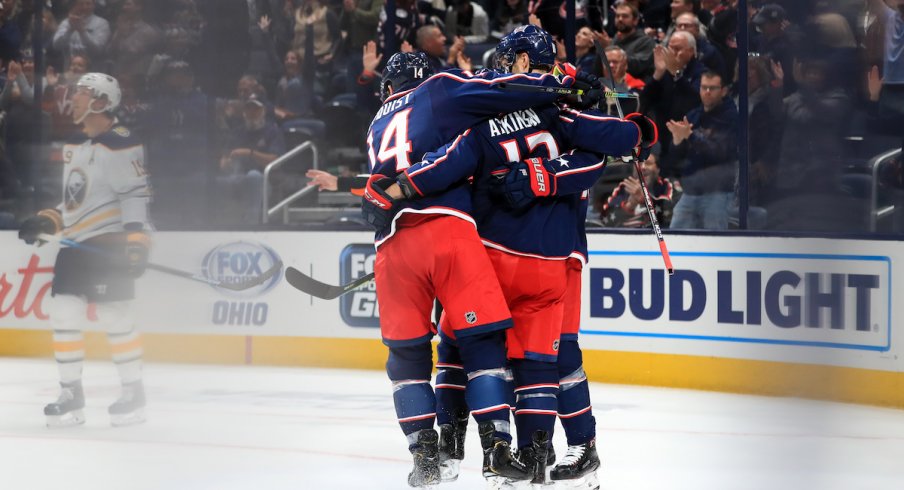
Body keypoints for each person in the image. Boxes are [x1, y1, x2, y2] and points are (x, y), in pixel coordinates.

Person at [368, 26, 655, 487]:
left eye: (507, 61)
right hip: (556, 255)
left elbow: (447, 163)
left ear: (520, 62)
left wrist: (398, 189)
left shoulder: (485, 121)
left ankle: (459, 447)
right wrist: (635, 131)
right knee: (544, 359)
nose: (500, 69)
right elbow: (607, 150)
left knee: (463, 345)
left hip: (500, 251)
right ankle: (543, 455)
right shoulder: (560, 106)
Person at [358, 48, 586, 488]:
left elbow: (381, 188)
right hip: (450, 233)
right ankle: (497, 448)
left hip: (392, 247)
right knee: (481, 345)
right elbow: (499, 92)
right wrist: (560, 85)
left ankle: (426, 455)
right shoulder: (439, 90)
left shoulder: (374, 123)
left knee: (406, 357)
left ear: (387, 88)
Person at [17, 72, 151, 428]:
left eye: (81, 92)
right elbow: (74, 202)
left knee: (114, 316)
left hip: (109, 245)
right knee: (63, 312)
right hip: (75, 247)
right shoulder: (76, 144)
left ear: (101, 101)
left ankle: (133, 392)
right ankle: (70, 393)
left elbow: (135, 196)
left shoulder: (120, 142)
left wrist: (137, 243)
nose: (72, 97)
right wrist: (48, 220)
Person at [666, 70, 737, 229]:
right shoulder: (693, 115)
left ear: (723, 90)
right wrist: (677, 141)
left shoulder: (731, 117)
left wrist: (690, 136)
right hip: (691, 191)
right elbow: (676, 157)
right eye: (704, 87)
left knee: (715, 241)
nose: (707, 92)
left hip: (717, 192)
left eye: (712, 88)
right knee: (675, 237)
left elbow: (719, 152)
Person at [601, 151, 678, 228]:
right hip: (624, 236)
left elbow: (668, 213)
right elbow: (606, 219)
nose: (643, 167)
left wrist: (645, 199)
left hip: (655, 236)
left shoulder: (666, 185)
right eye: (638, 164)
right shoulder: (623, 188)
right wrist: (630, 205)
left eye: (648, 163)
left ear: (658, 169)